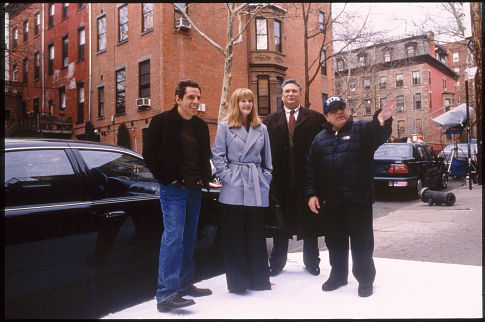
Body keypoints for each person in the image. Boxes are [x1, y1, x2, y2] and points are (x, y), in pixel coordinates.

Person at [305, 96, 395, 297]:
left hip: (358, 200)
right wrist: (311, 194)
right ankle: (338, 275)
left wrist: (383, 119)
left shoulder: (361, 130)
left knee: (362, 244)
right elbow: (311, 169)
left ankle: (364, 280)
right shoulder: (319, 140)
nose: (340, 112)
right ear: (327, 116)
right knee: (335, 243)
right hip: (330, 203)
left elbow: (378, 132)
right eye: (334, 110)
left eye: (342, 108)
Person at [143, 79, 213, 312]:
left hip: (194, 189)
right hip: (173, 190)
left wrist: (204, 177)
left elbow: (204, 155)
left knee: (190, 237)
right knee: (173, 238)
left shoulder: (200, 127)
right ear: (178, 99)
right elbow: (149, 155)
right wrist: (166, 177)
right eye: (191, 97)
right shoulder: (162, 122)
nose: (195, 102)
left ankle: (184, 285)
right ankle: (165, 295)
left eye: (198, 97)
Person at [211, 88, 273, 293]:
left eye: (250, 100)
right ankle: (238, 284)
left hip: (256, 185)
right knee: (234, 237)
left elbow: (268, 160)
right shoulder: (225, 127)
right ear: (235, 103)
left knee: (255, 235)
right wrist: (229, 178)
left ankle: (258, 281)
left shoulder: (261, 128)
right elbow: (217, 157)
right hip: (233, 187)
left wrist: (265, 178)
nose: (247, 104)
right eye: (242, 101)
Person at [263, 79, 326, 277]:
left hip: (306, 181)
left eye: (294, 91)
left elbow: (322, 149)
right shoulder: (269, 121)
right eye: (287, 91)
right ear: (282, 95)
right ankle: (277, 262)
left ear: (300, 94)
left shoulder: (315, 119)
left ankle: (312, 262)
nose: (291, 94)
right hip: (279, 181)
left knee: (310, 223)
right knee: (280, 224)